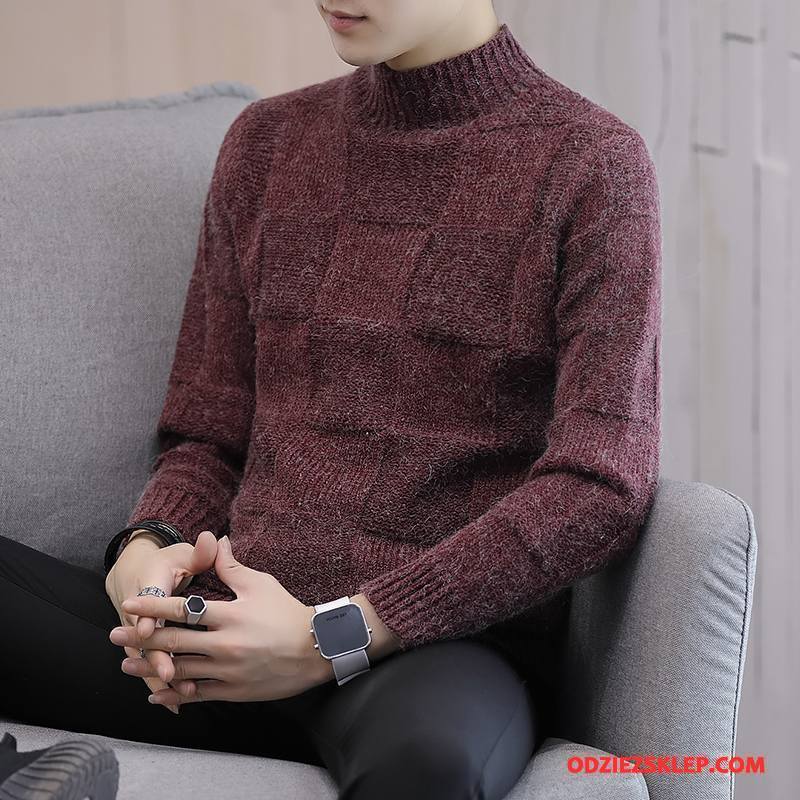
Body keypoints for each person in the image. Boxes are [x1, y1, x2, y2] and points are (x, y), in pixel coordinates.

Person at [0, 0, 662, 798]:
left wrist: (332, 636)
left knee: (432, 767)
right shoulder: (268, 143)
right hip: (221, 632)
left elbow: (599, 484)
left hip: (421, 654)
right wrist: (144, 555)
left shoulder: (591, 165)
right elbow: (208, 434)